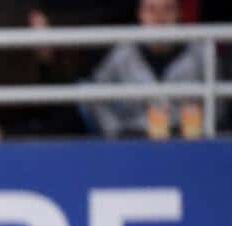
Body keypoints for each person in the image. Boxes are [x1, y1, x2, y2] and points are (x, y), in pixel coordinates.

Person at [86, 0, 216, 139]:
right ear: (140, 14)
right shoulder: (123, 53)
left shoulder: (199, 52)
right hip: (135, 139)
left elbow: (220, 102)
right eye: (151, 9)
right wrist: (115, 131)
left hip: (189, 141)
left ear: (179, 14)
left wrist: (204, 129)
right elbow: (95, 96)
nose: (159, 18)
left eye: (168, 9)